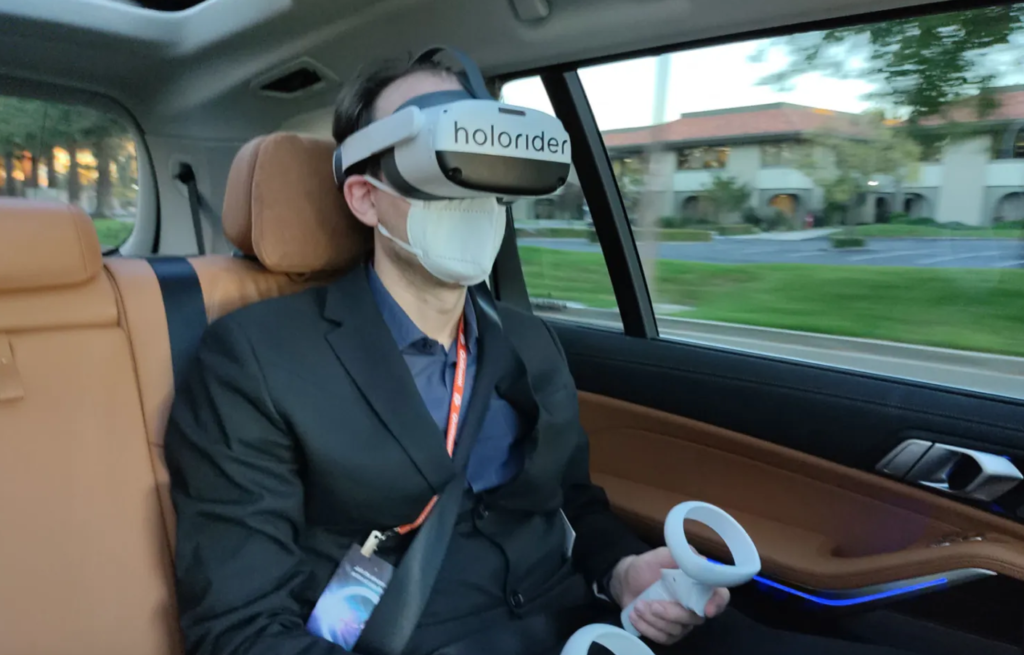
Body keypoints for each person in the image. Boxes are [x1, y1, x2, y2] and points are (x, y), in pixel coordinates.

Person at [165, 57, 917, 655]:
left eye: (486, 153)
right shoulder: (258, 358)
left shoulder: (527, 340)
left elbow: (572, 503)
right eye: (442, 154)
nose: (473, 184)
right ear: (365, 197)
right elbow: (242, 628)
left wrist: (624, 572)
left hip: (592, 627)